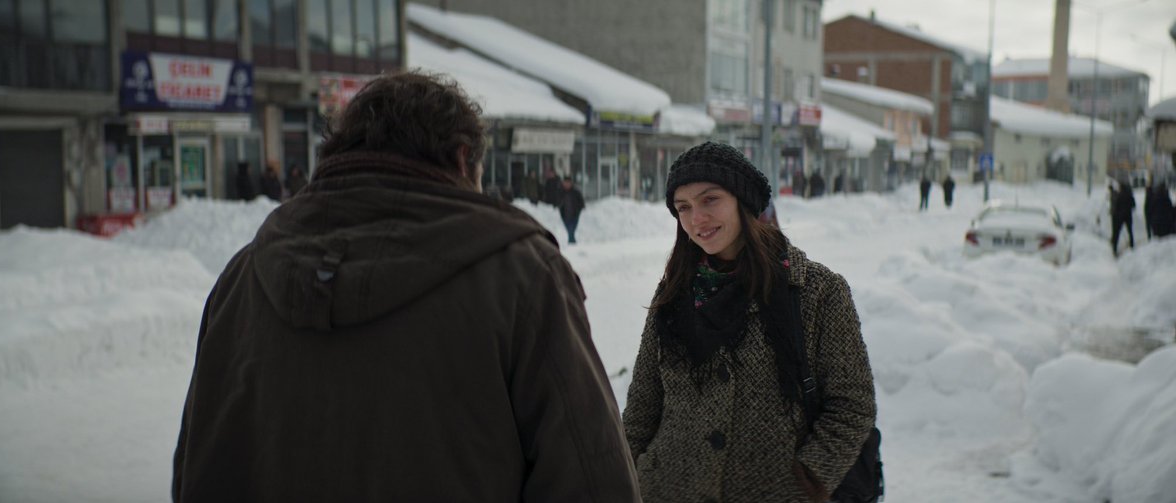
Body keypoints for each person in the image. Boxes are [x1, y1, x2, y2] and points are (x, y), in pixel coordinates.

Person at [172, 71, 640, 502]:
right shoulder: (522, 277)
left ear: (338, 154)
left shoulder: (240, 280)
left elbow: (194, 467)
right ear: (463, 160)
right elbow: (595, 483)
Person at [622, 142, 876, 502]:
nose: (697, 219)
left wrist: (810, 478)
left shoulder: (817, 292)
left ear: (742, 201)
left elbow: (852, 405)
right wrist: (630, 475)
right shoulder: (674, 294)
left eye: (710, 200)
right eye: (684, 208)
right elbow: (642, 409)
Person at [1110, 179, 1136, 257]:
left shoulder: (1120, 195)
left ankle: (1114, 248)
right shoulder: (1129, 195)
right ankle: (1132, 245)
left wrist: (1116, 213)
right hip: (1128, 216)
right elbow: (1133, 205)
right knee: (1130, 231)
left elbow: (1117, 206)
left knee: (1117, 232)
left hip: (1120, 216)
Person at [557, 176, 585, 244]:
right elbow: (557, 202)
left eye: (568, 183)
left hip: (574, 215)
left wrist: (579, 209)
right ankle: (572, 244)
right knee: (570, 231)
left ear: (571, 183)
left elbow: (581, 202)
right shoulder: (561, 192)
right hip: (565, 215)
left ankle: (571, 244)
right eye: (565, 183)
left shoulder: (576, 192)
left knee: (571, 231)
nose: (566, 184)